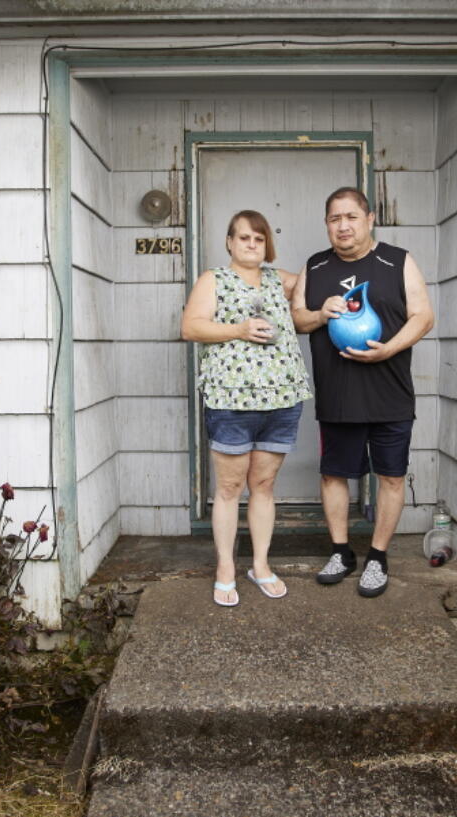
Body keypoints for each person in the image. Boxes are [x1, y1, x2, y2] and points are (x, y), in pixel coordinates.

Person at [290, 187, 434, 598]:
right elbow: (297, 318)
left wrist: (390, 348)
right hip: (337, 394)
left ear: (369, 219)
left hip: (390, 392)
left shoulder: (398, 261)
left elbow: (424, 316)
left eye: (351, 217)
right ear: (327, 225)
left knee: (390, 476)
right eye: (335, 219)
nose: (343, 226)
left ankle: (377, 556)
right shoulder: (315, 266)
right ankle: (341, 551)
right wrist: (320, 313)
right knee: (335, 474)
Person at [181, 210, 313, 607]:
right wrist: (239, 329)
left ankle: (260, 564)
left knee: (264, 487)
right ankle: (226, 568)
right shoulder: (214, 279)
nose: (251, 244)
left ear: (266, 244)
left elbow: (314, 276)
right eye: (243, 238)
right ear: (230, 242)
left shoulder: (280, 280)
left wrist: (322, 306)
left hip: (281, 400)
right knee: (228, 489)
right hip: (231, 400)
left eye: (259, 238)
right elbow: (191, 327)